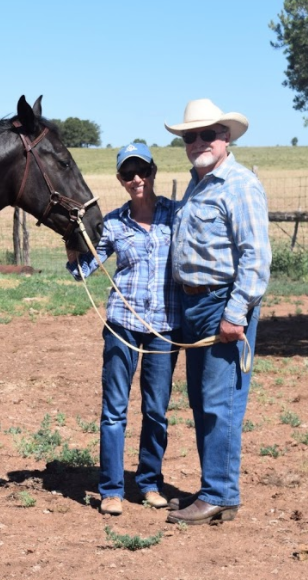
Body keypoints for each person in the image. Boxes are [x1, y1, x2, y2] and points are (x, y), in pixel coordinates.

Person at [164, 99, 271, 525]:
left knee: (220, 402)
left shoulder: (239, 184)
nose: (198, 142)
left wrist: (236, 312)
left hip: (221, 303)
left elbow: (255, 256)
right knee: (203, 400)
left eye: (207, 134)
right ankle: (216, 489)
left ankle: (220, 493)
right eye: (190, 136)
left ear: (225, 137)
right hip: (195, 303)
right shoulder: (197, 184)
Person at [66, 142, 182, 516]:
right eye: (129, 173)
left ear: (153, 172)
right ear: (120, 179)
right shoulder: (113, 223)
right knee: (114, 410)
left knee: (156, 410)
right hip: (122, 326)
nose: (137, 179)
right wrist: (73, 249)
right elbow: (84, 269)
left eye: (143, 171)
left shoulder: (176, 216)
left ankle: (149, 483)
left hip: (164, 328)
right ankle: (112, 489)